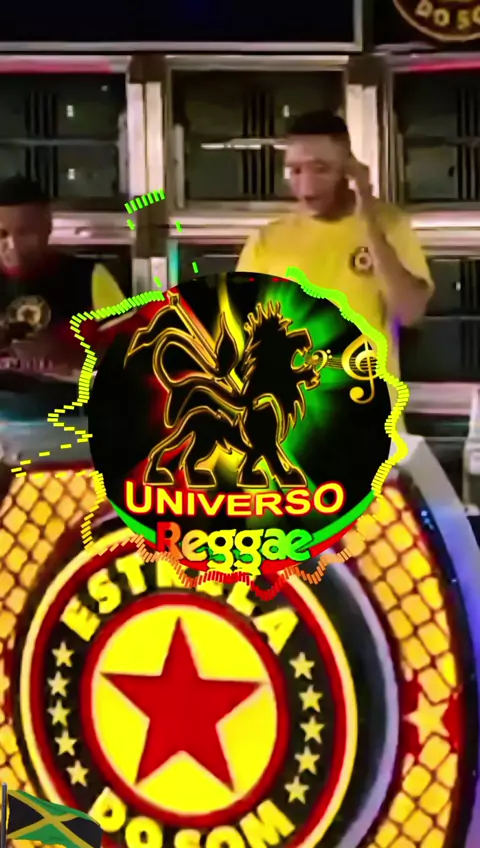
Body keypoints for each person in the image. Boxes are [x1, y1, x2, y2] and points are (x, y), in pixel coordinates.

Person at [236, 110, 434, 383]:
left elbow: (409, 313)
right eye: (295, 170)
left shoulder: (389, 225)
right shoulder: (267, 240)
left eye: (321, 169)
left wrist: (367, 217)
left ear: (347, 169)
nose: (306, 187)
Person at [0, 175, 125, 375]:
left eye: (25, 233)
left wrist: (68, 355)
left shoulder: (93, 278)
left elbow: (131, 356)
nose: (13, 246)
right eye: (2, 234)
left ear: (47, 226)